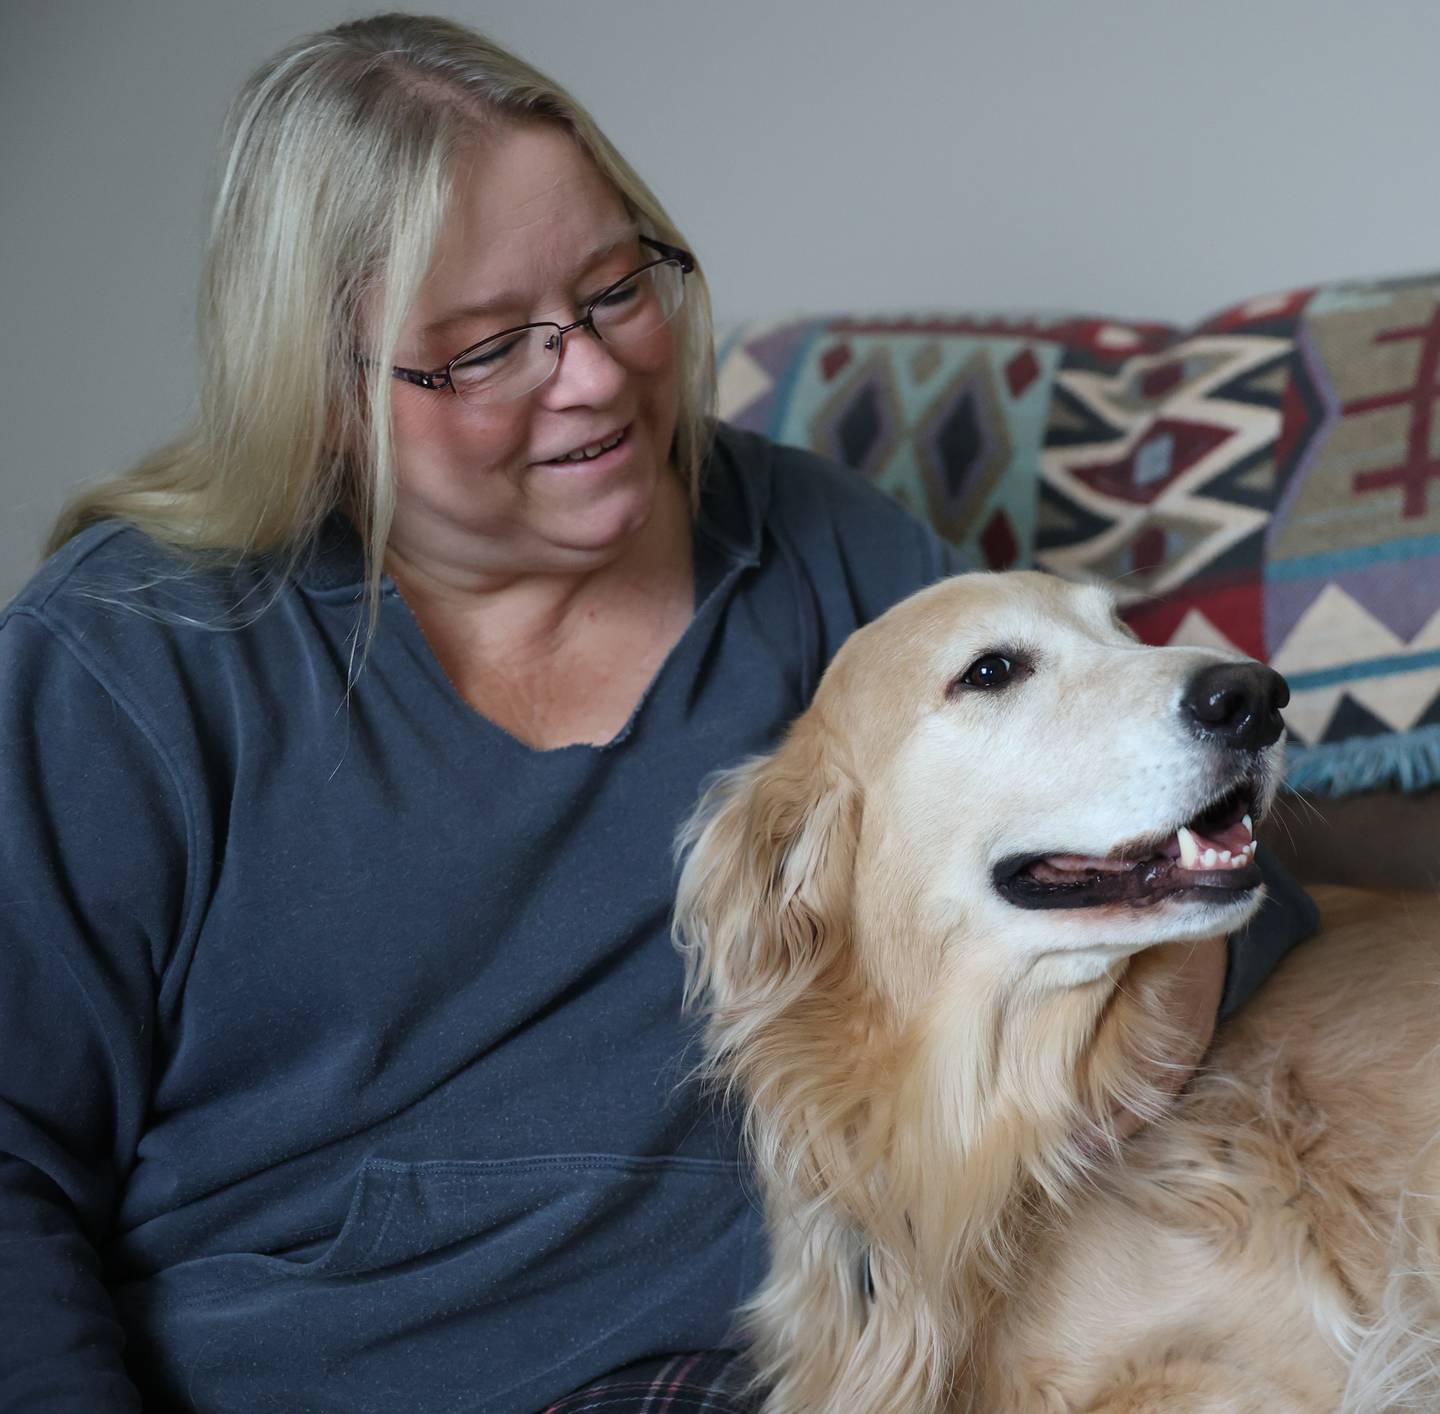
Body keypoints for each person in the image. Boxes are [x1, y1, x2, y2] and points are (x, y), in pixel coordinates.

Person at [0, 14, 1317, 1413]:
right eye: (489, 345)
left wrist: (1111, 1059)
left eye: (616, 285)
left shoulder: (816, 552)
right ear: (328, 397)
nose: (595, 371)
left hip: (742, 1370)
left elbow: (1193, 842)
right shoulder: (127, 660)